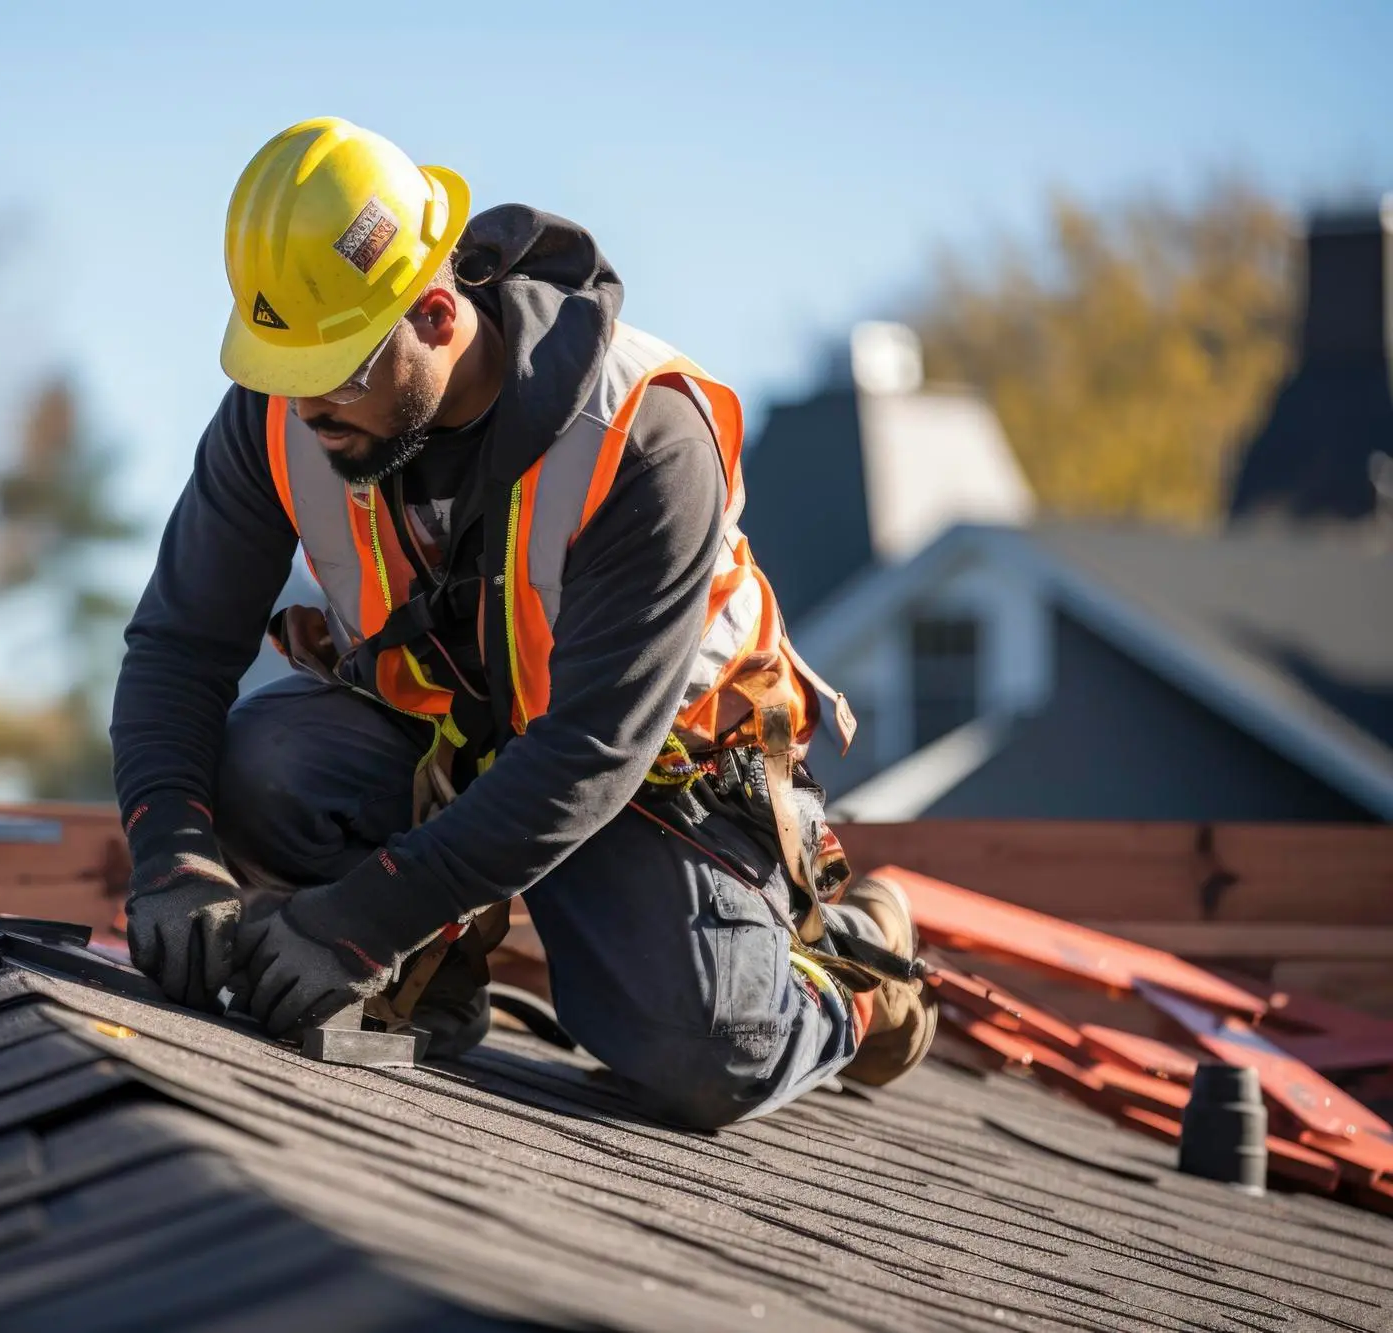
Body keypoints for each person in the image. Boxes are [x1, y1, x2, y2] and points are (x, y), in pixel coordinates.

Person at [110, 117, 936, 1128]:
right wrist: (171, 855)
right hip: (448, 743)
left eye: (338, 368)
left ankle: (856, 980)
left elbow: (591, 750)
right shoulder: (279, 406)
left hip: (645, 780)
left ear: (434, 314)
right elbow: (179, 647)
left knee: (704, 1050)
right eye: (286, 370)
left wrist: (360, 920)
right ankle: (430, 987)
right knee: (268, 764)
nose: (308, 408)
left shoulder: (641, 438)